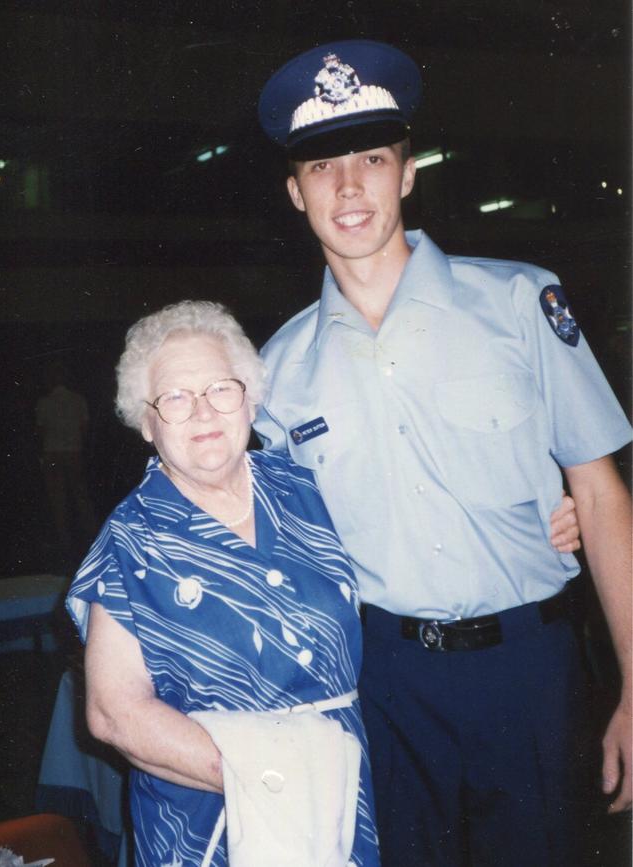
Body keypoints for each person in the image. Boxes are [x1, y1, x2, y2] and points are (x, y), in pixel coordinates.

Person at [255, 40, 632, 867]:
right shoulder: (276, 372)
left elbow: (600, 497)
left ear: (408, 172)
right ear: (295, 193)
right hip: (383, 684)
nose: (349, 186)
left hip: (529, 673)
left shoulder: (520, 301)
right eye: (323, 167)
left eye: (372, 158)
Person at [65, 300, 381, 867]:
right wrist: (274, 777)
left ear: (249, 397)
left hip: (340, 799)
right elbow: (112, 712)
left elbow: (405, 537)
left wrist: (546, 519)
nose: (203, 412)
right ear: (146, 421)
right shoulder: (131, 539)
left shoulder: (305, 488)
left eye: (219, 388)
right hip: (211, 827)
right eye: (175, 398)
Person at [35, 360, 97, 564]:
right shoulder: (78, 400)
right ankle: (93, 537)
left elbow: (41, 431)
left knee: (58, 500)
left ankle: (64, 543)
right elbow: (84, 428)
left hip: (52, 453)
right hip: (74, 452)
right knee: (81, 496)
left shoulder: (43, 402)